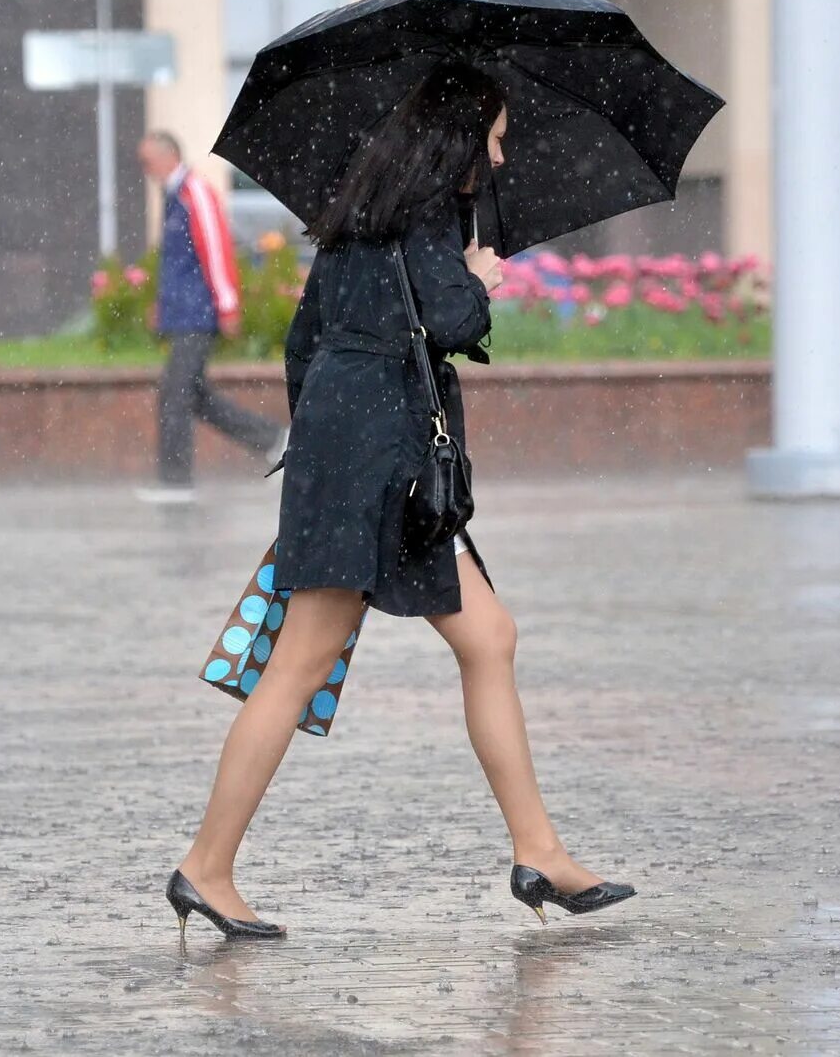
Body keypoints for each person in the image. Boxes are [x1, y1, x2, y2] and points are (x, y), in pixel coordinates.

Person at [165, 61, 635, 939]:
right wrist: (480, 276)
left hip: (364, 457)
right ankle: (205, 867)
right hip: (381, 464)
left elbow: (305, 344)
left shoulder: (358, 217)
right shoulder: (420, 220)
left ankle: (539, 852)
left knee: (489, 635)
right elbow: (451, 322)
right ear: (458, 138)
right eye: (494, 140)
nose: (497, 160)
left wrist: (325, 454)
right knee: (299, 663)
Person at [135, 132, 287, 505]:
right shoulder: (174, 197)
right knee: (195, 396)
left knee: (175, 394)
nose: (145, 170)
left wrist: (228, 305)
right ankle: (275, 441)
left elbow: (215, 251)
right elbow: (176, 261)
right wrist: (162, 306)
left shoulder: (194, 194)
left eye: (147, 161)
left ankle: (176, 483)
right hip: (185, 313)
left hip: (198, 315)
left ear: (168, 156)